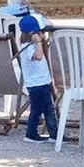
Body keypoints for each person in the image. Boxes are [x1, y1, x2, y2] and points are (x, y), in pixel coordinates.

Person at [18, 15, 57, 145]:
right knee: (37, 111)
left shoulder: (33, 45)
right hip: (36, 84)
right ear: (33, 34)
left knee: (48, 109)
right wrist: (38, 42)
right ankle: (31, 134)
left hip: (42, 82)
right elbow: (39, 56)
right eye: (40, 32)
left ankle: (54, 134)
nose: (43, 35)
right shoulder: (28, 47)